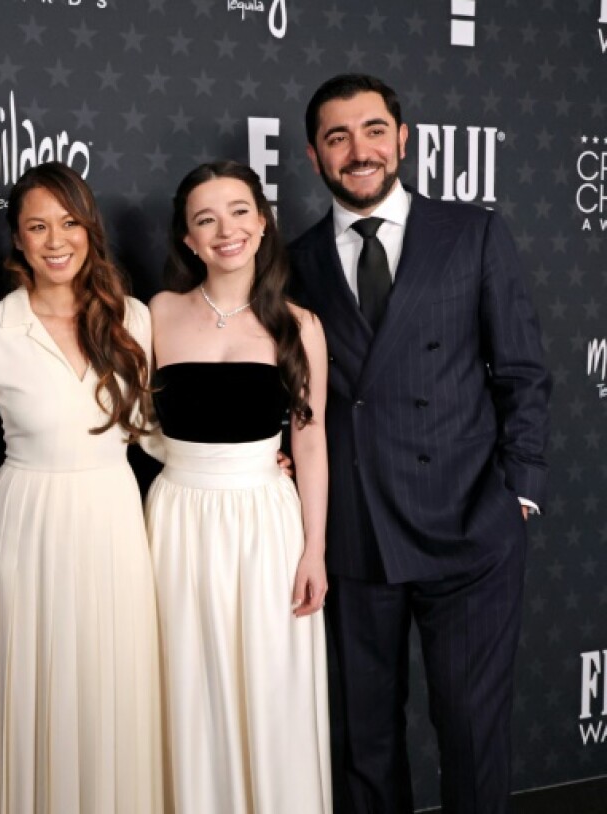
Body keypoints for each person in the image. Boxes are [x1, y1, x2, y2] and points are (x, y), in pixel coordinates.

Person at [289, 74, 550, 813]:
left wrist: (519, 494)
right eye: (337, 137)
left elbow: (525, 372)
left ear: (402, 141)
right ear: (314, 156)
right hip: (357, 534)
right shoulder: (295, 260)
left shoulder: (472, 233)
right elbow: (293, 390)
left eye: (373, 130)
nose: (358, 149)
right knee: (365, 741)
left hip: (470, 527)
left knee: (470, 733)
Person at [0, 162, 167, 814]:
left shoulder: (132, 318)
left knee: (113, 675)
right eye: (37, 226)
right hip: (31, 516)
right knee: (33, 676)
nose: (56, 240)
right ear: (17, 240)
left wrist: (246, 461)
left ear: (90, 229)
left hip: (112, 512)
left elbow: (153, 433)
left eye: (69, 222)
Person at [146, 161, 331, 813]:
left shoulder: (300, 325)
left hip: (265, 524)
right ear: (189, 241)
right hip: (175, 520)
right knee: (184, 679)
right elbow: (126, 420)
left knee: (267, 680)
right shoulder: (155, 315)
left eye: (239, 211)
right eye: (206, 219)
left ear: (262, 223)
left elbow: (310, 441)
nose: (226, 229)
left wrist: (314, 551)